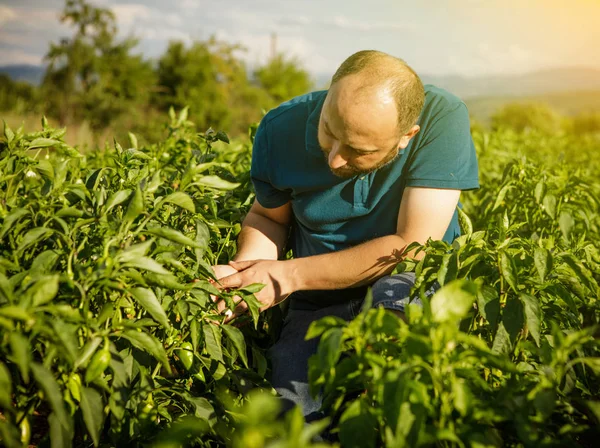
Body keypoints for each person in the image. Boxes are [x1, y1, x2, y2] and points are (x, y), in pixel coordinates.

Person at [212, 50, 479, 421]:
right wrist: (244, 274)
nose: (335, 158)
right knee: (294, 413)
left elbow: (414, 247)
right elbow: (269, 218)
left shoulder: (441, 117)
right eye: (328, 131)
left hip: (408, 280)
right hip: (318, 294)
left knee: (399, 362)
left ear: (406, 137)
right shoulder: (279, 128)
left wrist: (289, 275)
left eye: (358, 149)